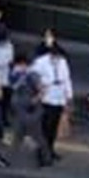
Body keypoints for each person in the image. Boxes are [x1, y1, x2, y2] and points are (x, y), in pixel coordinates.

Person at [0, 55, 52, 168]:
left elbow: (42, 89)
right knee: (19, 137)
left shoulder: (32, 75)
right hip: (21, 111)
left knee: (36, 136)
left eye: (18, 65)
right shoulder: (18, 76)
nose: (16, 68)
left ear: (24, 65)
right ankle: (7, 159)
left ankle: (46, 158)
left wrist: (34, 101)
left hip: (30, 112)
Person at [30, 33, 72, 162]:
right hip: (46, 97)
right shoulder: (41, 62)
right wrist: (40, 86)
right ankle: (41, 152)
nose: (58, 60)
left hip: (59, 97)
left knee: (53, 127)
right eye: (56, 57)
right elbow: (32, 75)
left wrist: (68, 96)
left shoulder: (63, 62)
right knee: (45, 127)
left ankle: (50, 149)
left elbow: (67, 79)